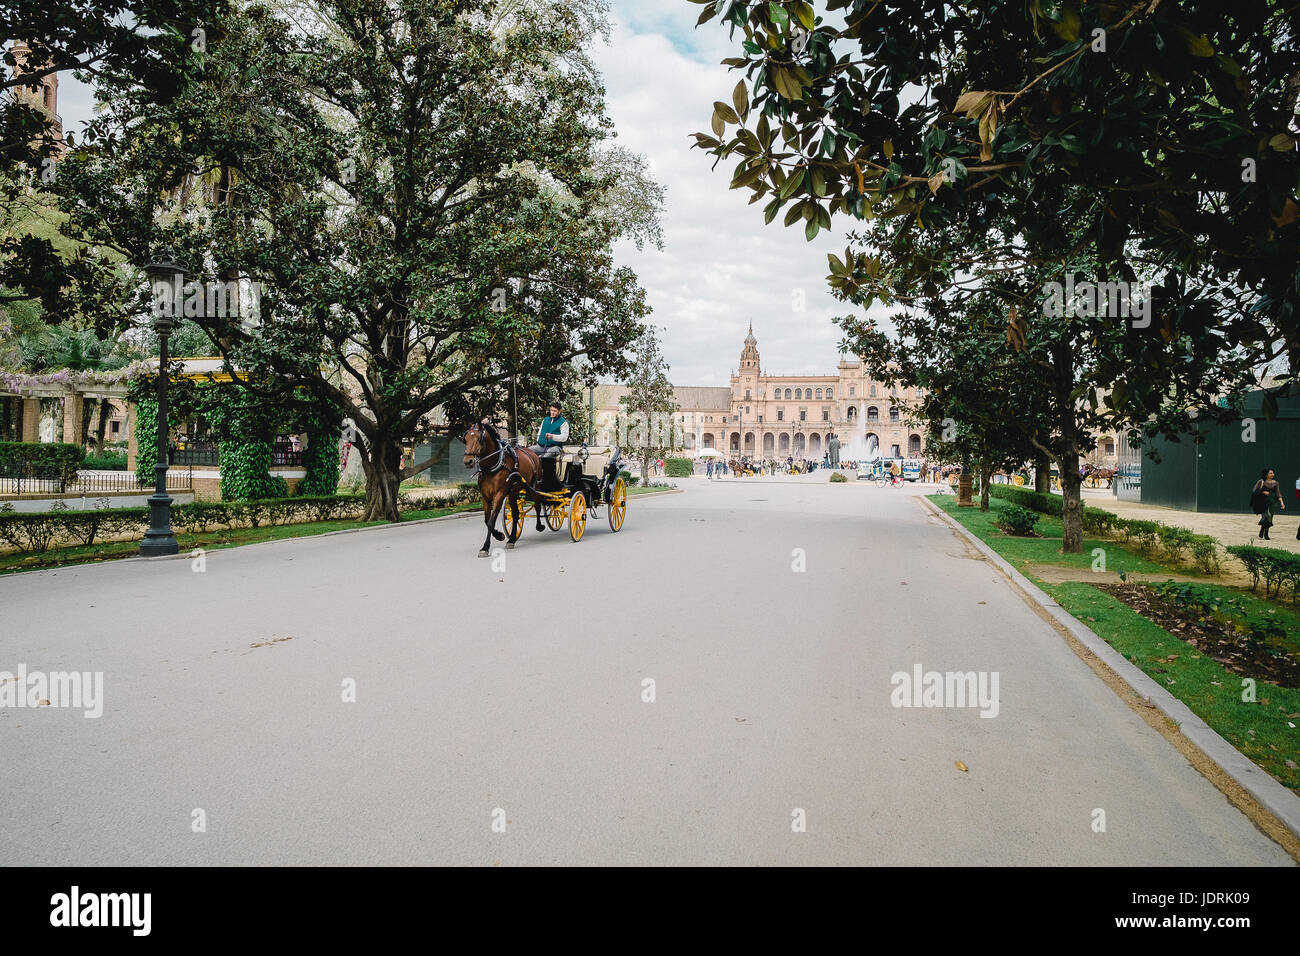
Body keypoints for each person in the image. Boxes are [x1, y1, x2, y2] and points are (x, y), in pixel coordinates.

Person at [1252, 467, 1285, 540]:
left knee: (1270, 519)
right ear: (1266, 474)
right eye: (1270, 473)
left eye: (1273, 473)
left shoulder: (1276, 483)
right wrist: (1263, 492)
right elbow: (1254, 490)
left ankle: (1265, 533)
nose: (1272, 474)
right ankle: (1262, 530)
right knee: (1267, 516)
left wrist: (1282, 502)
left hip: (1272, 502)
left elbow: (1278, 493)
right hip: (1262, 502)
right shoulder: (1261, 482)